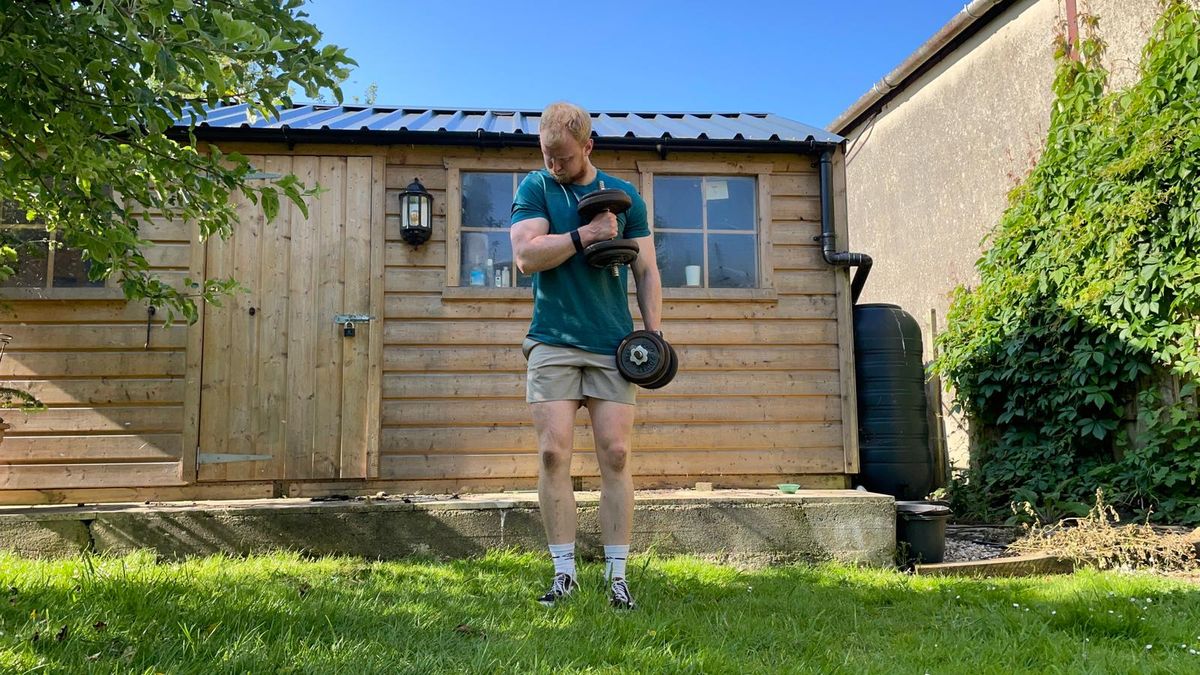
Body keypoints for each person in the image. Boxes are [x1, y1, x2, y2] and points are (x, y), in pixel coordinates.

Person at [510, 102, 662, 610]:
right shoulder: (535, 187)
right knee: (553, 452)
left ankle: (617, 578)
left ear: (588, 147)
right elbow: (527, 257)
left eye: (565, 158)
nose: (555, 165)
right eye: (548, 155)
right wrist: (586, 235)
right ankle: (564, 573)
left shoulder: (625, 198)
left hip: (610, 342)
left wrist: (653, 336)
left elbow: (647, 270)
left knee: (616, 454)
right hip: (551, 340)